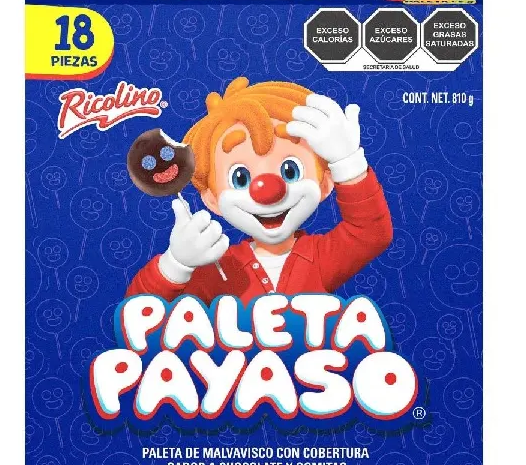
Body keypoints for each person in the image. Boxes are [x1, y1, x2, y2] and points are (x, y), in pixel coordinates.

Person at [126, 77, 392, 305]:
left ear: (325, 183)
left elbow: (370, 234)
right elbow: (140, 315)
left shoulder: (319, 257)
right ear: (212, 200)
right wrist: (175, 265)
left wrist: (347, 164)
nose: (267, 191)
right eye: (240, 178)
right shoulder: (220, 269)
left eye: (290, 171)